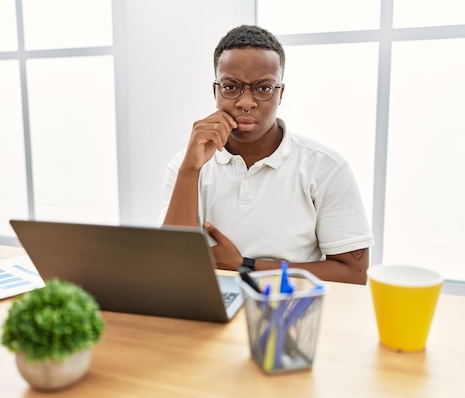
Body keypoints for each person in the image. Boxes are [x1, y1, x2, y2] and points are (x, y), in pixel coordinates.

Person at [158, 25, 373, 285]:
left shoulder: (325, 168)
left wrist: (245, 266)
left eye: (263, 88)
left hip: (289, 308)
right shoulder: (185, 166)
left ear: (280, 93)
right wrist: (189, 171)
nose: (245, 102)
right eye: (231, 86)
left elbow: (354, 274)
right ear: (215, 91)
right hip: (210, 308)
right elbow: (170, 265)